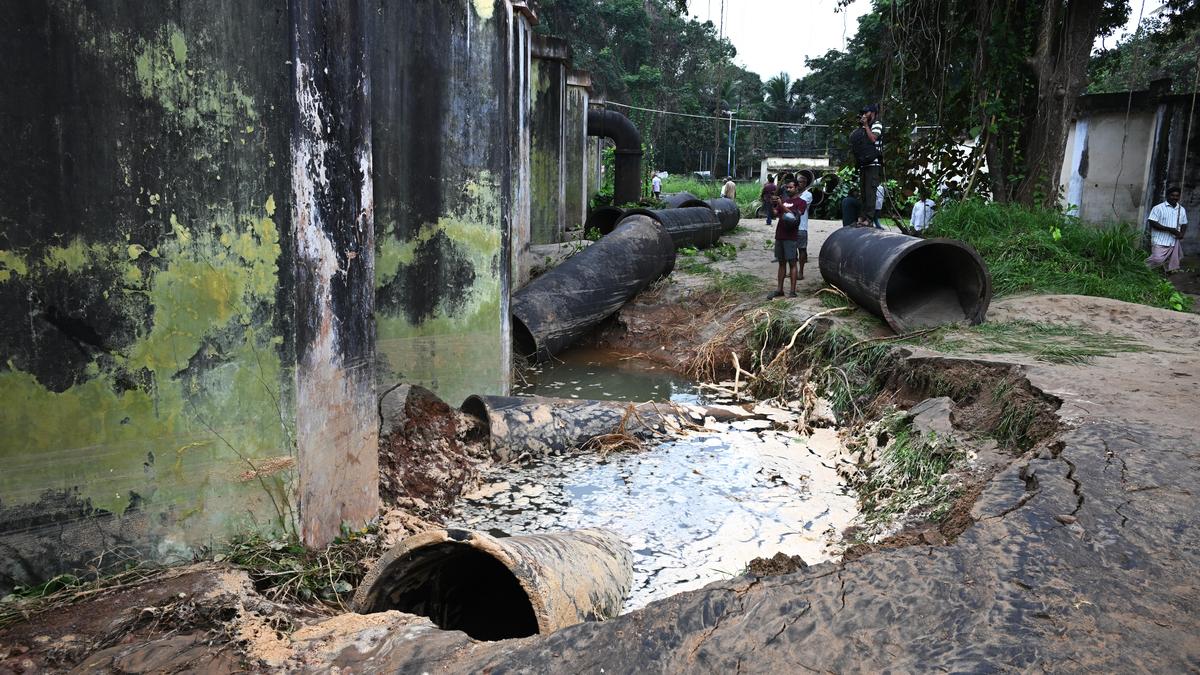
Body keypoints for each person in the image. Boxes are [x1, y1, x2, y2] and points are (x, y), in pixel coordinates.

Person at [769, 179, 807, 298]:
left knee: (792, 263)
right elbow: (775, 213)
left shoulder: (801, 202)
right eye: (787, 188)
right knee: (781, 263)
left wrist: (780, 204)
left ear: (796, 188)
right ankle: (779, 289)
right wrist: (772, 204)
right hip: (780, 235)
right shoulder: (784, 201)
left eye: (791, 187)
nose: (788, 189)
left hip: (791, 237)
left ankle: (792, 291)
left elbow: (794, 216)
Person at [849, 104, 883, 226]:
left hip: (873, 164)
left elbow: (873, 138)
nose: (864, 115)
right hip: (864, 164)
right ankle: (862, 217)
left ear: (873, 113)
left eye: (866, 112)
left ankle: (869, 219)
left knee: (870, 193)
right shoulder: (863, 128)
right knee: (863, 193)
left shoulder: (877, 124)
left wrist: (866, 126)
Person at [1145, 186, 1188, 273]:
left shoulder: (1181, 209)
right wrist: (1170, 229)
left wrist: (1182, 233)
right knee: (1157, 259)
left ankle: (1161, 273)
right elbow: (1152, 222)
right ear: (1167, 196)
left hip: (1173, 240)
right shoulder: (1158, 208)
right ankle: (1141, 268)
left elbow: (1184, 223)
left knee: (1171, 260)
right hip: (1160, 239)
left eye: (1177, 196)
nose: (1175, 197)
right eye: (1172, 195)